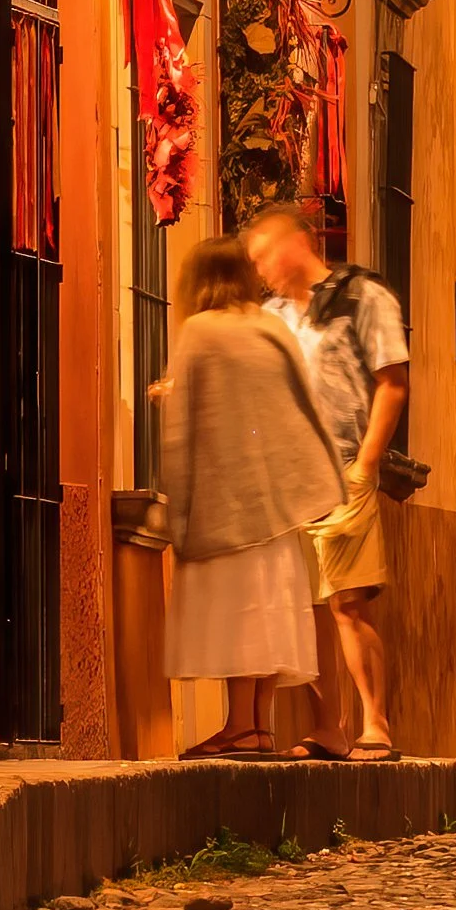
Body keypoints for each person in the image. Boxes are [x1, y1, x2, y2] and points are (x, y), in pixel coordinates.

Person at [157, 238, 344, 757]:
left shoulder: (200, 331)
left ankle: (239, 725)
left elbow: (186, 427)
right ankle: (258, 726)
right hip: (274, 506)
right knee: (266, 610)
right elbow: (297, 407)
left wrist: (178, 506)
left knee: (235, 610)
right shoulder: (272, 328)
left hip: (224, 502)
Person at [245, 204, 410, 763]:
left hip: (344, 466)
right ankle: (327, 727)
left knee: (348, 601)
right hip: (288, 476)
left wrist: (366, 464)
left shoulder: (363, 296)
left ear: (300, 242)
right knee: (306, 606)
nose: (262, 266)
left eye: (266, 252)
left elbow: (392, 381)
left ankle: (375, 723)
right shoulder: (269, 317)